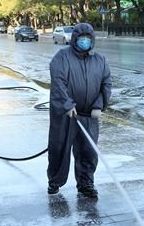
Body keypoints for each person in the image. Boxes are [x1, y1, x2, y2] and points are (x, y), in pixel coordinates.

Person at [47, 22, 111, 199]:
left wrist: (99, 105)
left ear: (92, 40)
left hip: (89, 114)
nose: (85, 41)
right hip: (66, 114)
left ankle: (85, 183)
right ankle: (55, 181)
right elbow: (58, 83)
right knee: (59, 148)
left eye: (88, 38)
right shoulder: (62, 57)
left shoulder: (100, 60)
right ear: (75, 39)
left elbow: (106, 83)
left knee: (88, 151)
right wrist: (67, 105)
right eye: (81, 38)